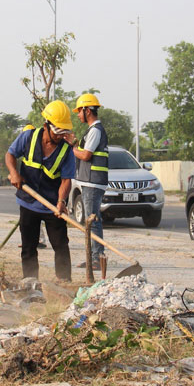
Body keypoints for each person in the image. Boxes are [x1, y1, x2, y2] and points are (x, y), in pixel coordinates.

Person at [5, 100, 76, 281]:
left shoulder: (66, 152)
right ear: (46, 125)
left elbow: (66, 180)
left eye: (64, 132)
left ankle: (64, 283)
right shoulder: (28, 137)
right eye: (57, 131)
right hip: (28, 202)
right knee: (28, 247)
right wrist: (14, 173)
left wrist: (61, 202)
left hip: (52, 206)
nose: (61, 136)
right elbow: (10, 154)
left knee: (61, 246)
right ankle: (30, 284)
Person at [68, 93, 109, 268]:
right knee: (92, 219)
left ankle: (97, 257)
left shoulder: (95, 131)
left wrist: (73, 147)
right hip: (90, 181)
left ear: (87, 110)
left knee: (92, 220)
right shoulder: (92, 131)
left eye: (79, 111)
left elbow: (85, 155)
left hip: (93, 182)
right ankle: (95, 256)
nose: (78, 115)